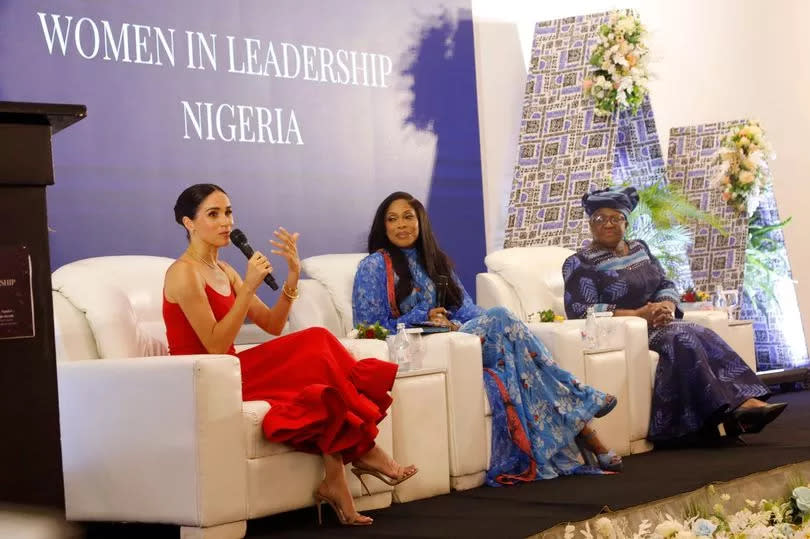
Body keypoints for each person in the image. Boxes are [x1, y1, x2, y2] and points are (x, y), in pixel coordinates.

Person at [163, 184, 416, 526]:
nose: (226, 222)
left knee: (319, 352)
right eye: (213, 214)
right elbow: (212, 344)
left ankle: (336, 480)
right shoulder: (183, 273)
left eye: (228, 212)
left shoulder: (226, 271)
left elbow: (272, 324)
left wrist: (292, 276)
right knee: (315, 344)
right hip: (204, 377)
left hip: (230, 369)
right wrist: (249, 287)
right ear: (188, 223)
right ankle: (365, 452)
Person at [352, 191, 622, 485]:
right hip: (421, 347)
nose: (401, 225)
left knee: (506, 330)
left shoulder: (436, 261)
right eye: (392, 219)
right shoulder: (375, 266)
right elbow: (369, 326)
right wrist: (421, 316)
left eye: (408, 217)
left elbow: (468, 310)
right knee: (501, 317)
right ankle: (584, 411)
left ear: (421, 222)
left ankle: (584, 427)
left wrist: (451, 322)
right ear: (383, 225)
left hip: (457, 339)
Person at [562, 186, 787, 445]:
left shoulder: (639, 248)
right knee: (682, 338)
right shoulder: (579, 263)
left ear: (626, 221)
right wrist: (638, 315)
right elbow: (580, 310)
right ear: (590, 224)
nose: (607, 224)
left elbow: (665, 283)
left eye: (615, 218)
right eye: (599, 219)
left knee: (701, 331)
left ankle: (740, 406)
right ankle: (731, 411)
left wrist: (666, 306)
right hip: (622, 332)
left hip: (659, 322)